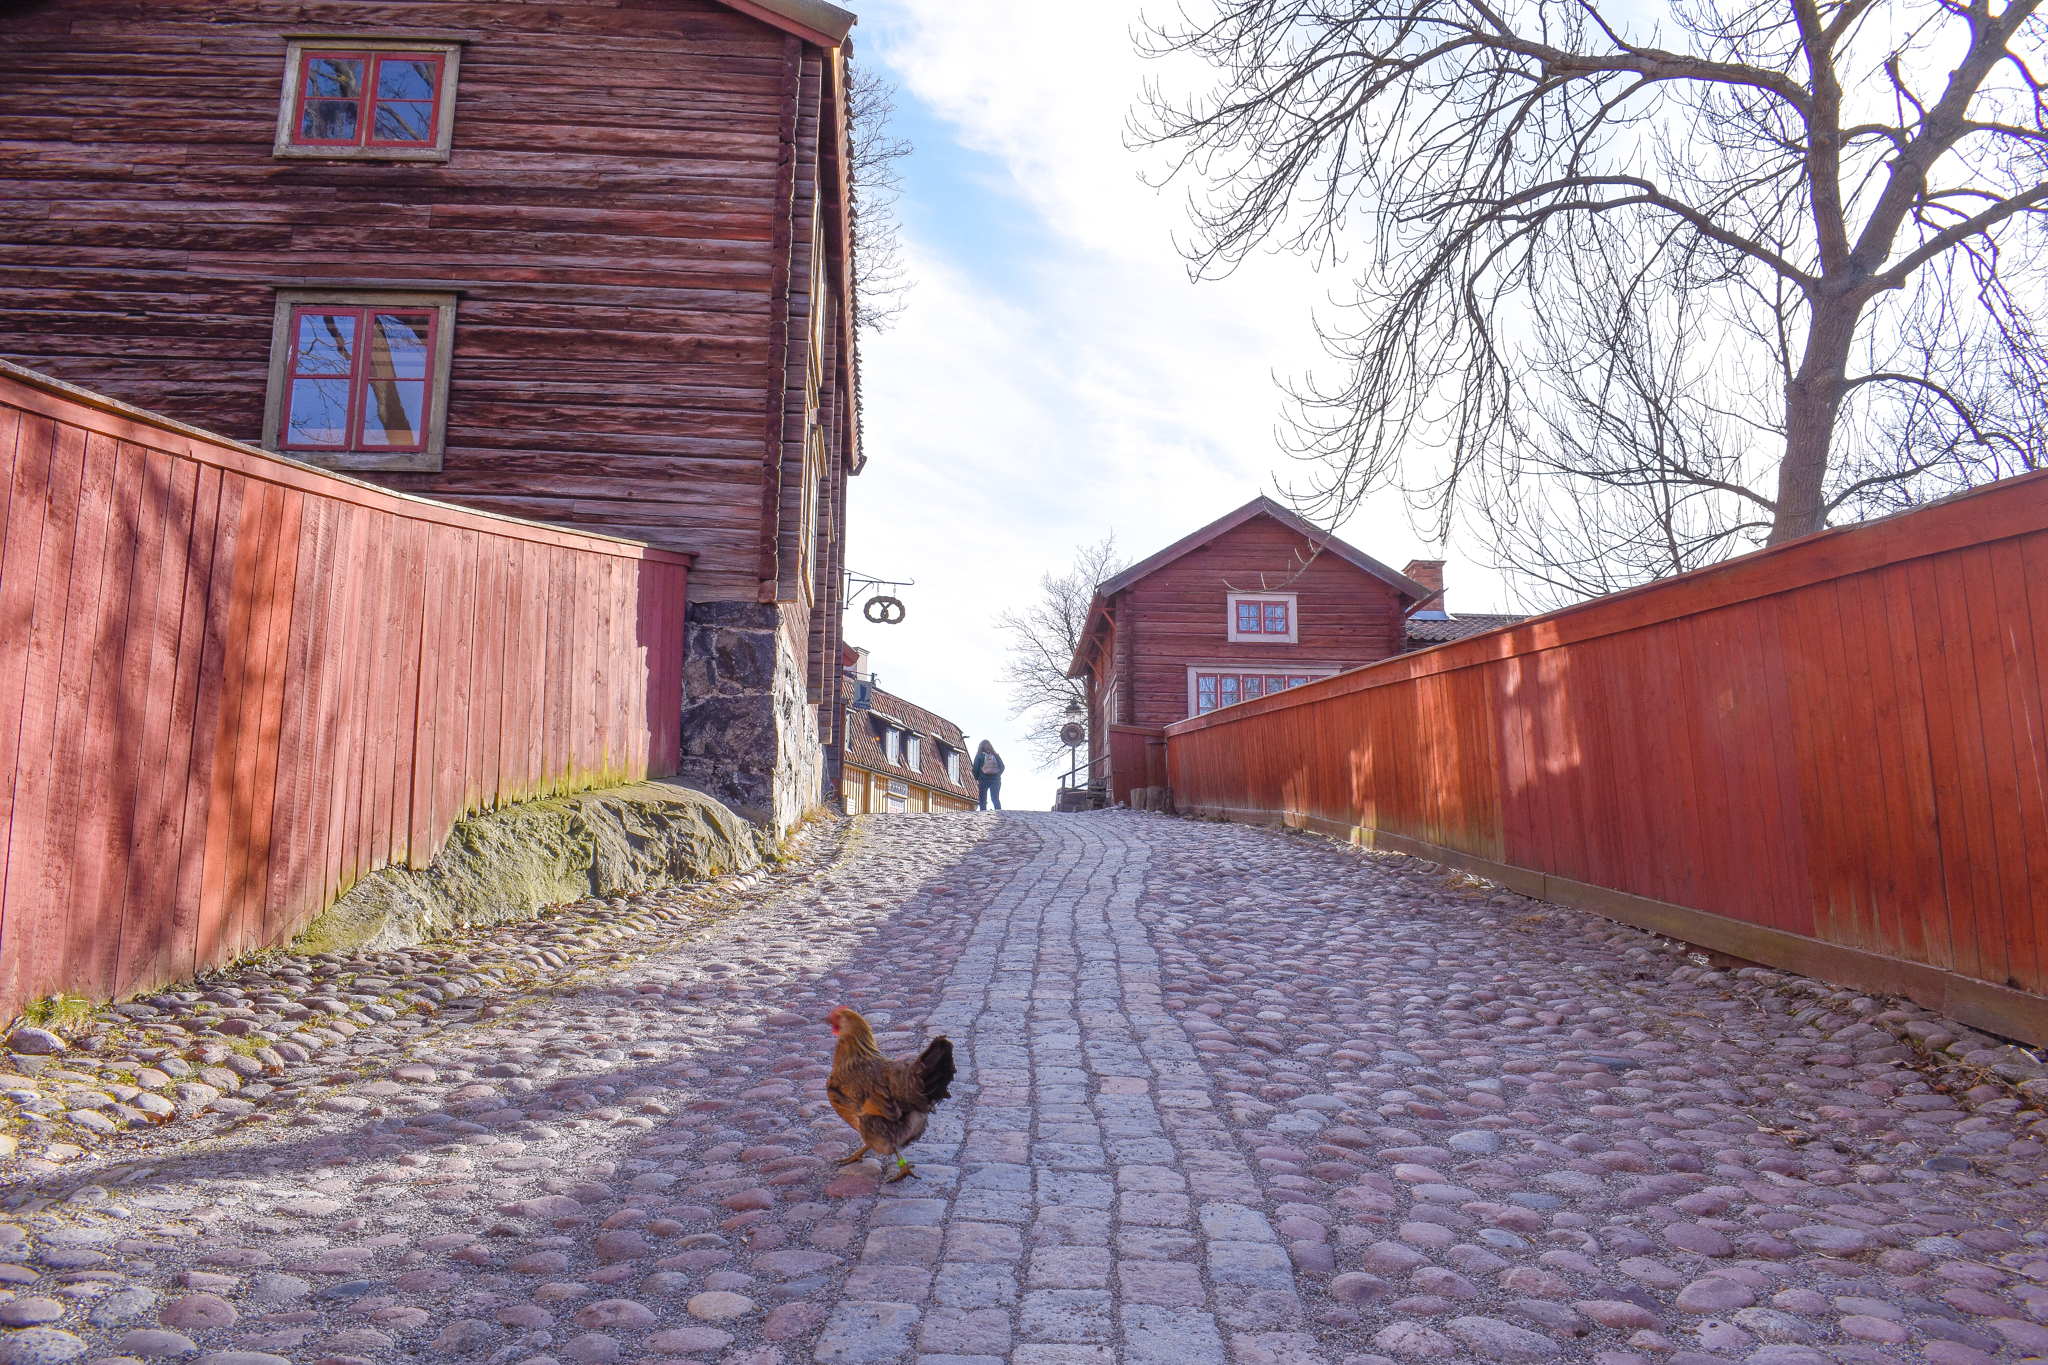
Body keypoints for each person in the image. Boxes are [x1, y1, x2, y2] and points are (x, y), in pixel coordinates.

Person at [972, 740, 1005, 811]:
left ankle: (983, 812)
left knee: (983, 798)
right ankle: (998, 812)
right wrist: (997, 775)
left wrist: (977, 777)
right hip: (995, 780)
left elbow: (975, 768)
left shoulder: (979, 756)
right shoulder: (996, 756)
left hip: (983, 779)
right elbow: (1002, 767)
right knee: (995, 797)